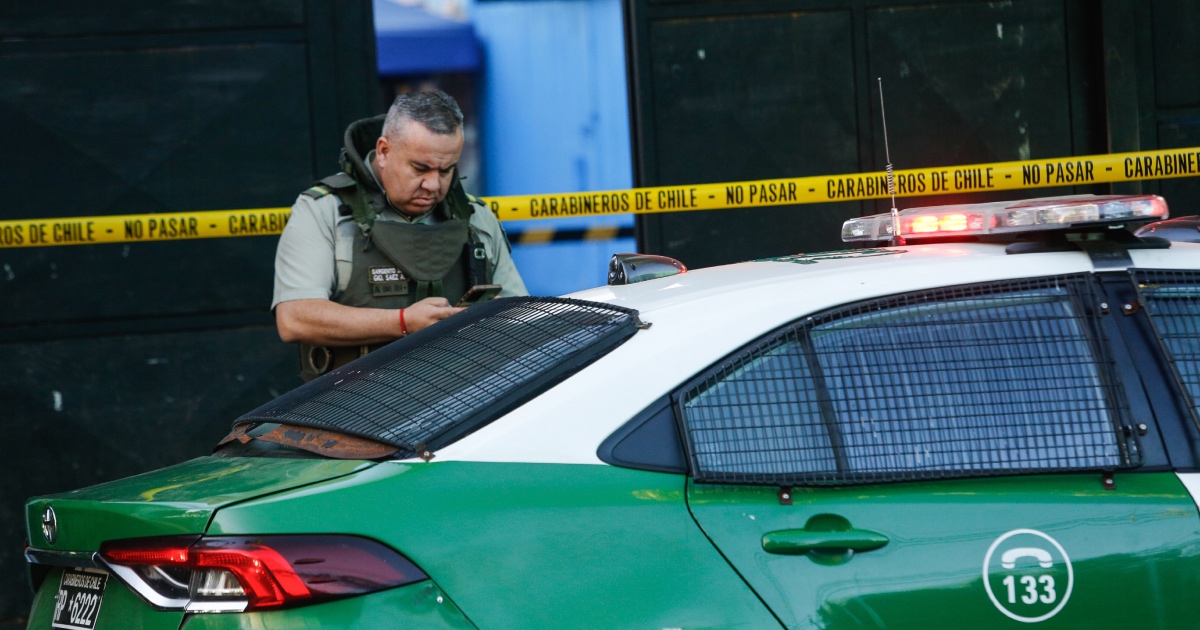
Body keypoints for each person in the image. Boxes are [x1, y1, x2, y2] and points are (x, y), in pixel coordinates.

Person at [272, 90, 528, 380]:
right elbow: (295, 319)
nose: (433, 184)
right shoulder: (323, 211)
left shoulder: (475, 216)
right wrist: (404, 322)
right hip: (349, 402)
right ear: (383, 151)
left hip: (462, 396)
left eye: (446, 170)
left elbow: (518, 315)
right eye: (420, 168)